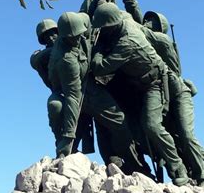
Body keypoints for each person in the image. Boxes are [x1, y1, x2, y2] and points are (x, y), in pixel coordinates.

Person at [115, 0, 204, 185]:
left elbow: (136, 26)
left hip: (176, 92)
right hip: (158, 91)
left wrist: (118, 11)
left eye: (152, 21)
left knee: (186, 135)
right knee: (156, 131)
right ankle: (187, 171)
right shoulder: (144, 40)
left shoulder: (161, 41)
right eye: (147, 20)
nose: (147, 22)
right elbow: (136, 19)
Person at [91, 3, 190, 186]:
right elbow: (116, 9)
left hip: (155, 84)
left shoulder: (127, 42)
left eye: (104, 29)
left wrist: (97, 51)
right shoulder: (125, 18)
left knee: (151, 125)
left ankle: (178, 168)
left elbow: (100, 68)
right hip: (137, 86)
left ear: (112, 26)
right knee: (134, 127)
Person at [48, 11, 148, 175]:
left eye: (79, 34)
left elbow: (89, 12)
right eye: (72, 37)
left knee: (119, 123)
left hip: (90, 85)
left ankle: (133, 166)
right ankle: (66, 159)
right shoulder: (66, 59)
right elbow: (74, 97)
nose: (77, 39)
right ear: (64, 37)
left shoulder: (82, 25)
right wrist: (68, 137)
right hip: (80, 93)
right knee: (117, 122)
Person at [30, 19, 63, 151]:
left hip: (84, 91)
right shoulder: (41, 56)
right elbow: (35, 60)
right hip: (60, 93)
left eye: (54, 33)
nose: (51, 37)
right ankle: (61, 143)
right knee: (54, 106)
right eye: (46, 36)